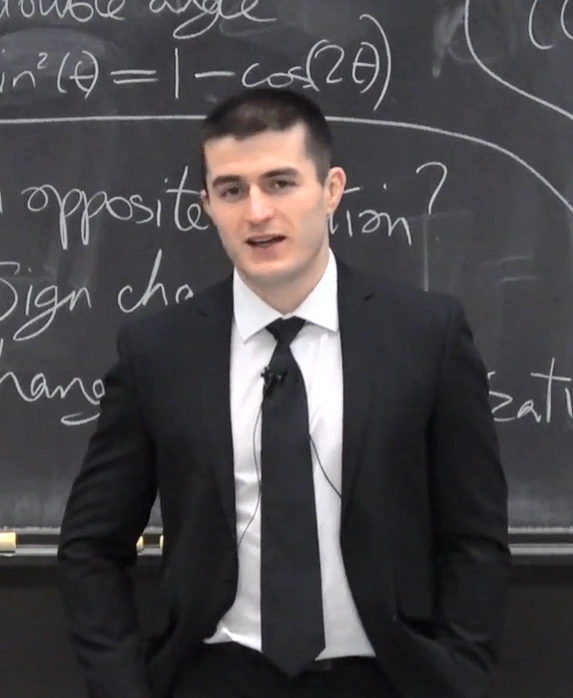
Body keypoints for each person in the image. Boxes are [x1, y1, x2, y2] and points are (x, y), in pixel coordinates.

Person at [57, 87, 511, 698]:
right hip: (214, 676)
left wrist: (459, 675)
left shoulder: (427, 335)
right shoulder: (157, 352)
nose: (257, 212)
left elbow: (474, 534)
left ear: (331, 189)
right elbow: (92, 544)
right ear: (207, 206)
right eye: (231, 190)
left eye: (280, 183)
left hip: (386, 678)